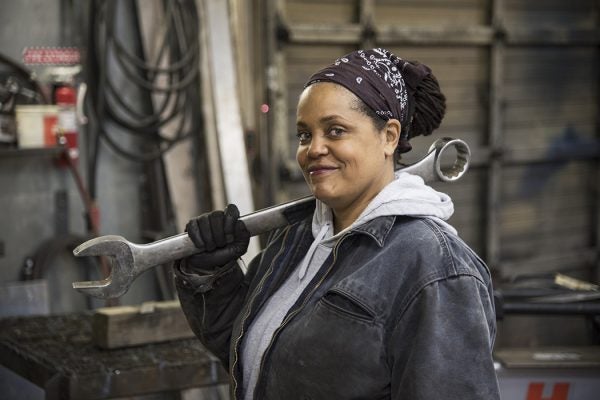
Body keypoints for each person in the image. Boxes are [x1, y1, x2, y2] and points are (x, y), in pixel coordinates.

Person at [174, 48, 500, 399]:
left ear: (389, 136)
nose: (314, 149)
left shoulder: (433, 269)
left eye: (335, 131)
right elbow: (255, 357)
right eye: (304, 135)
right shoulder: (296, 239)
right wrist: (213, 276)